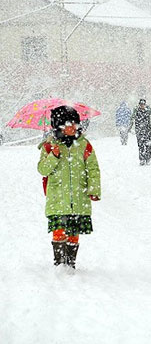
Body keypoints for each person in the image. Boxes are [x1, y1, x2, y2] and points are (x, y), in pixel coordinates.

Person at [37, 106, 101, 269]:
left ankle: (70, 262)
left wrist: (93, 189)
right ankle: (59, 263)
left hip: (79, 197)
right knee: (59, 230)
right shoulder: (49, 146)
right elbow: (42, 169)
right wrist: (54, 155)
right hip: (58, 198)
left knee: (73, 231)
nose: (73, 128)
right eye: (68, 124)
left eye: (75, 124)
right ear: (59, 126)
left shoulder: (84, 145)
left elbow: (93, 168)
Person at [129, 98, 151, 165]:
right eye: (141, 104)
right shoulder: (136, 110)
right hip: (139, 130)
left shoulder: (148, 110)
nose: (142, 106)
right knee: (140, 145)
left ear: (145, 104)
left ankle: (148, 158)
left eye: (143, 104)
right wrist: (130, 127)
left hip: (147, 130)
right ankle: (142, 159)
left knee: (148, 144)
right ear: (139, 104)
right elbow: (132, 118)